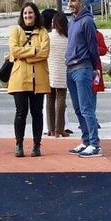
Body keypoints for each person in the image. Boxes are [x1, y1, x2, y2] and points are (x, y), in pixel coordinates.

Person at [6, 1, 50, 157]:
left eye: (30, 13)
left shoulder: (43, 32)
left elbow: (44, 53)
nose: (28, 16)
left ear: (35, 14)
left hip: (39, 79)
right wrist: (33, 51)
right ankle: (19, 144)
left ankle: (37, 145)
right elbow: (14, 51)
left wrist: (25, 55)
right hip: (19, 79)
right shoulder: (16, 31)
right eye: (25, 13)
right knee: (21, 112)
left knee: (37, 113)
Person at [63, 0, 101, 156]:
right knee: (78, 108)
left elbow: (93, 47)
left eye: (73, 1)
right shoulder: (72, 22)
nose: (70, 4)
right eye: (68, 1)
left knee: (86, 108)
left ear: (81, 3)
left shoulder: (86, 21)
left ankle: (94, 144)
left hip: (82, 67)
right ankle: (86, 141)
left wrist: (94, 68)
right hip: (70, 68)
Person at [44, 8, 71, 139]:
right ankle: (59, 129)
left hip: (49, 72)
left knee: (49, 100)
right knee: (61, 100)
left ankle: (50, 128)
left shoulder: (47, 37)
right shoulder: (67, 38)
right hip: (62, 73)